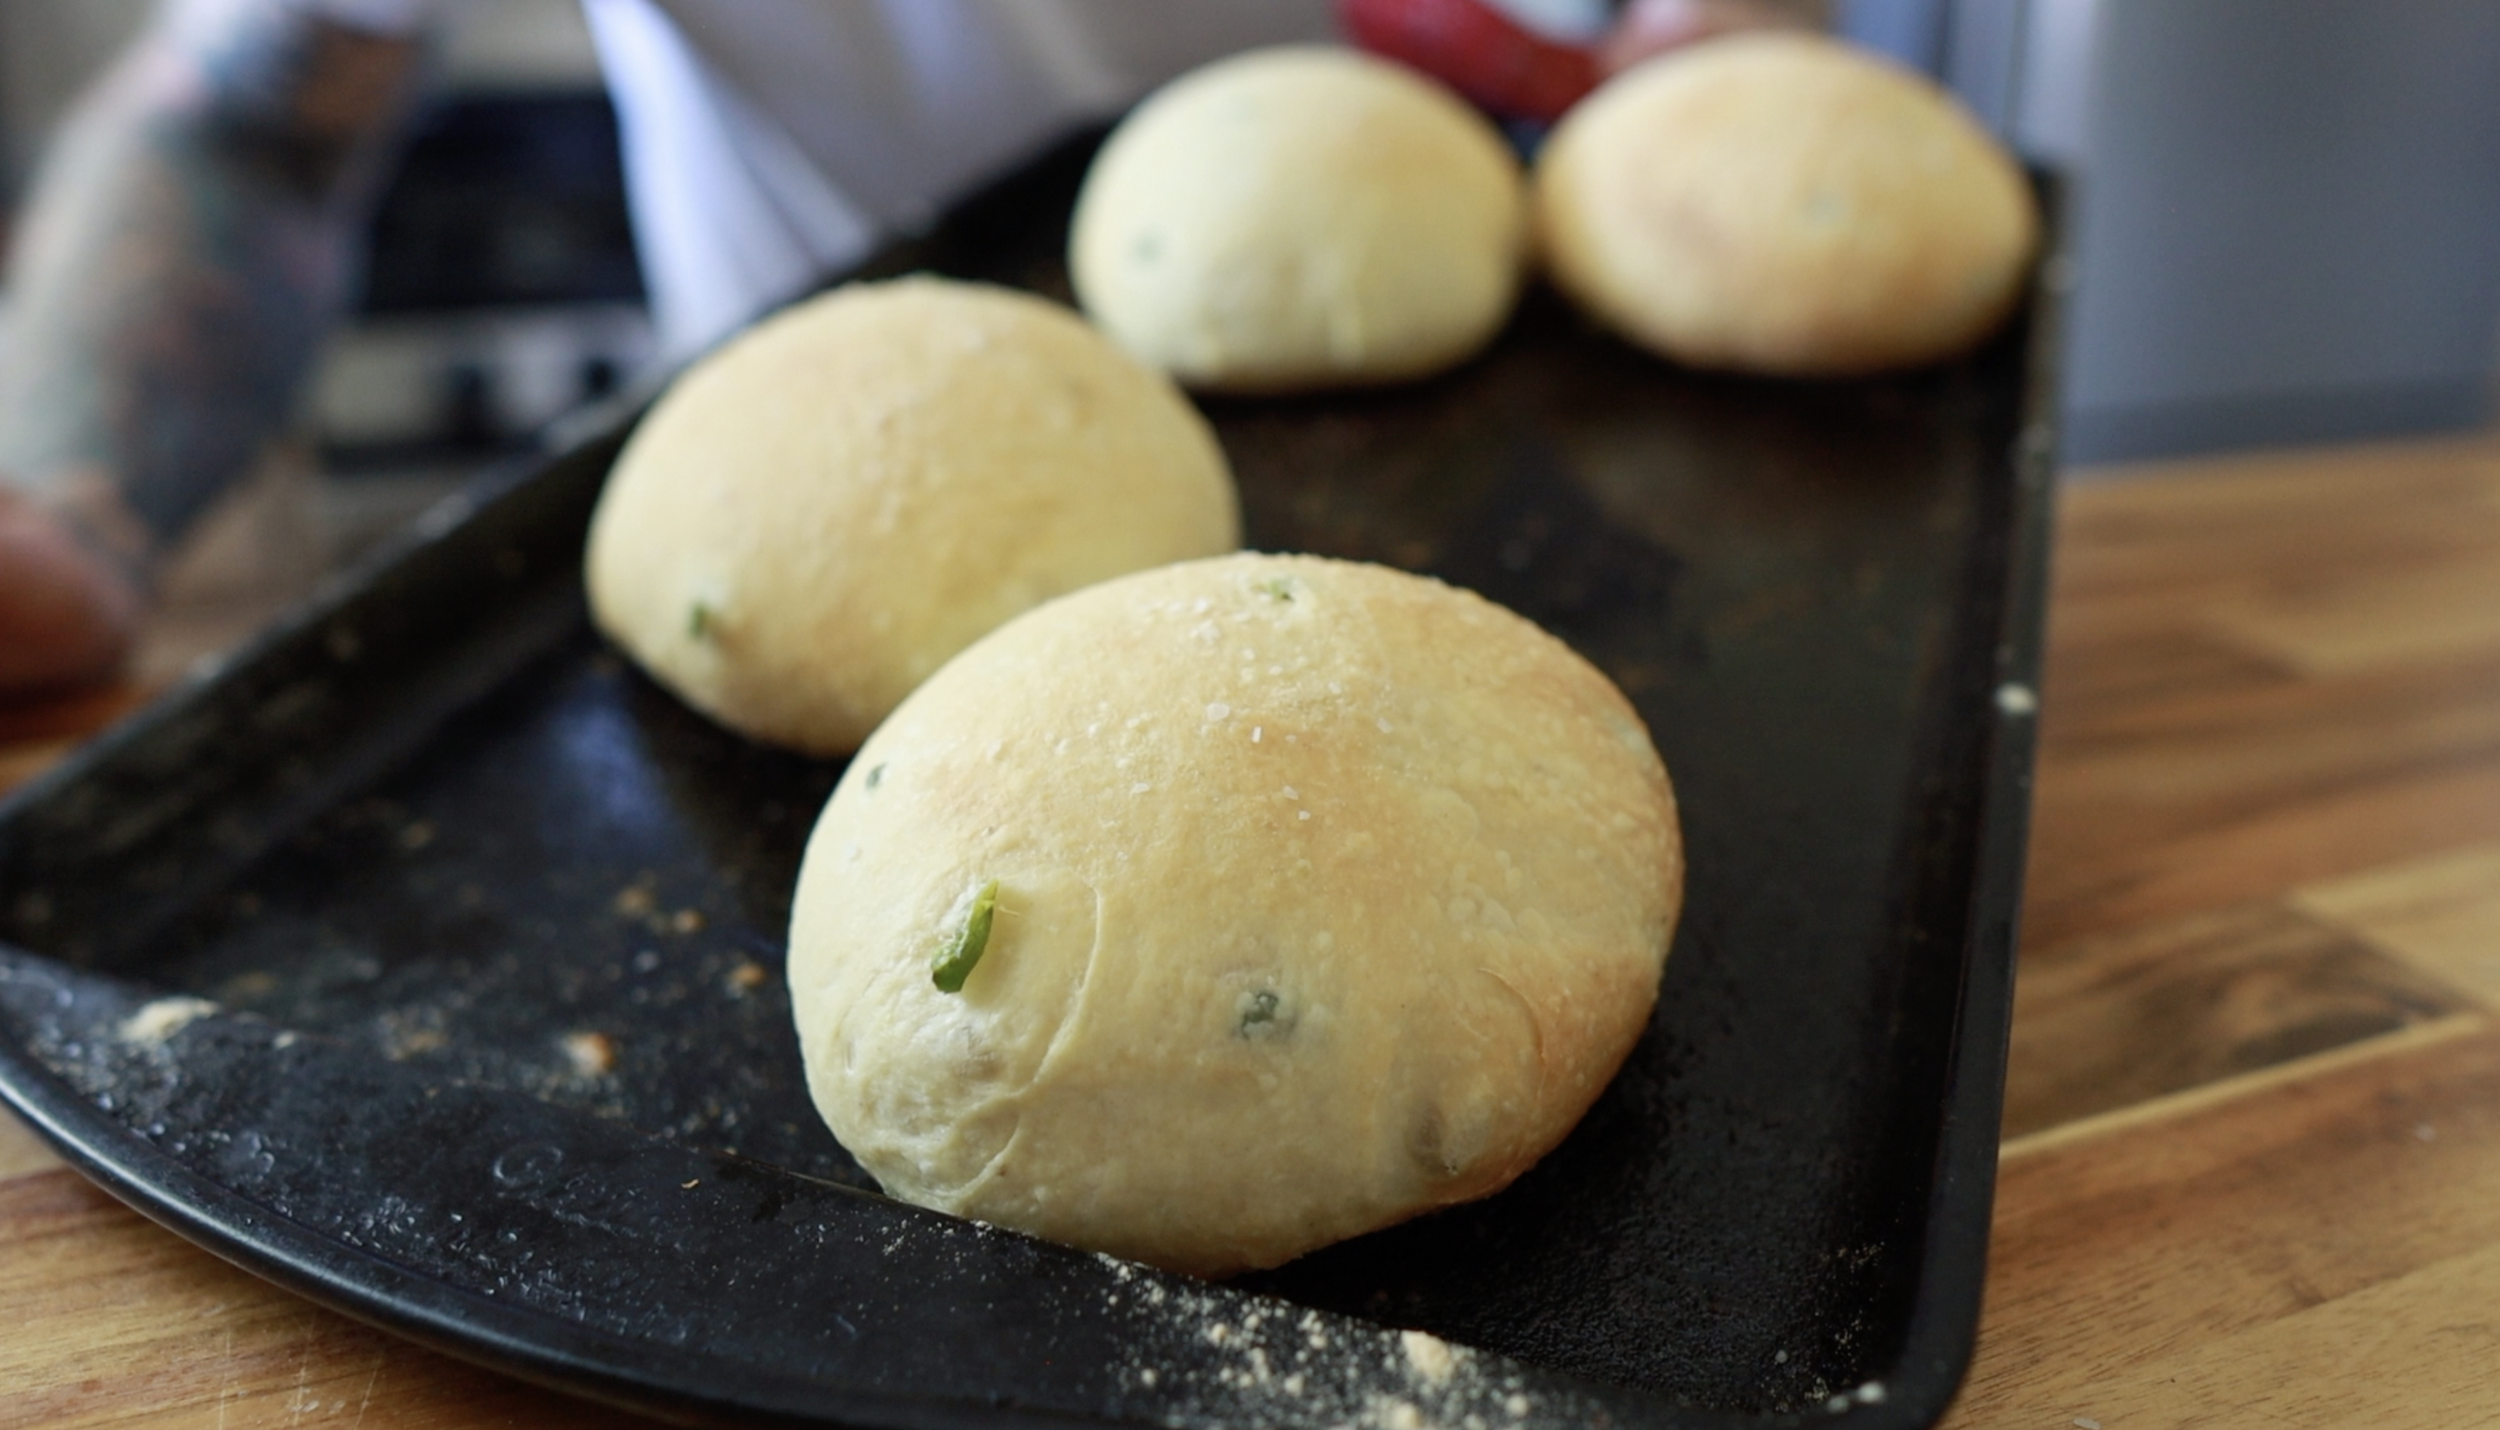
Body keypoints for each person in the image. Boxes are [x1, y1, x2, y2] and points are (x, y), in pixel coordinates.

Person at [0, 0, 1818, 696]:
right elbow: (245, 122)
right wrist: (66, 507)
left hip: (1500, 505)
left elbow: (1708, 52)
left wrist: (1719, 90)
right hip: (780, 530)